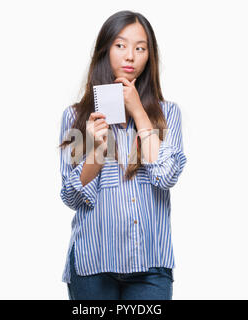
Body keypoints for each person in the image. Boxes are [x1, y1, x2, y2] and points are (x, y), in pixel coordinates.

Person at [58, 10, 187, 300]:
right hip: (94, 262)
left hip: (150, 264)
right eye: (121, 45)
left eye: (140, 48)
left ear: (149, 57)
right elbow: (71, 197)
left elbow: (166, 175)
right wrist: (95, 151)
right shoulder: (76, 117)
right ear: (105, 51)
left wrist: (139, 112)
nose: (130, 56)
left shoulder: (168, 114)